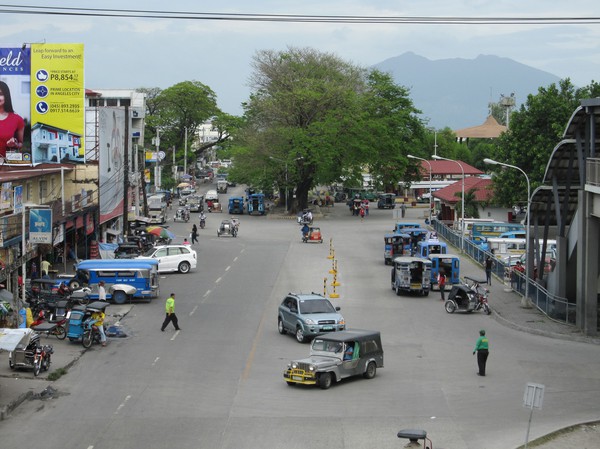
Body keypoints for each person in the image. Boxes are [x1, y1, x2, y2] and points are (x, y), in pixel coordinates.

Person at [0, 81, 25, 158]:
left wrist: (15, 144)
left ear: (6, 96)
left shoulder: (17, 119)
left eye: (0, 94)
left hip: (7, 165)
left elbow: (20, 144)